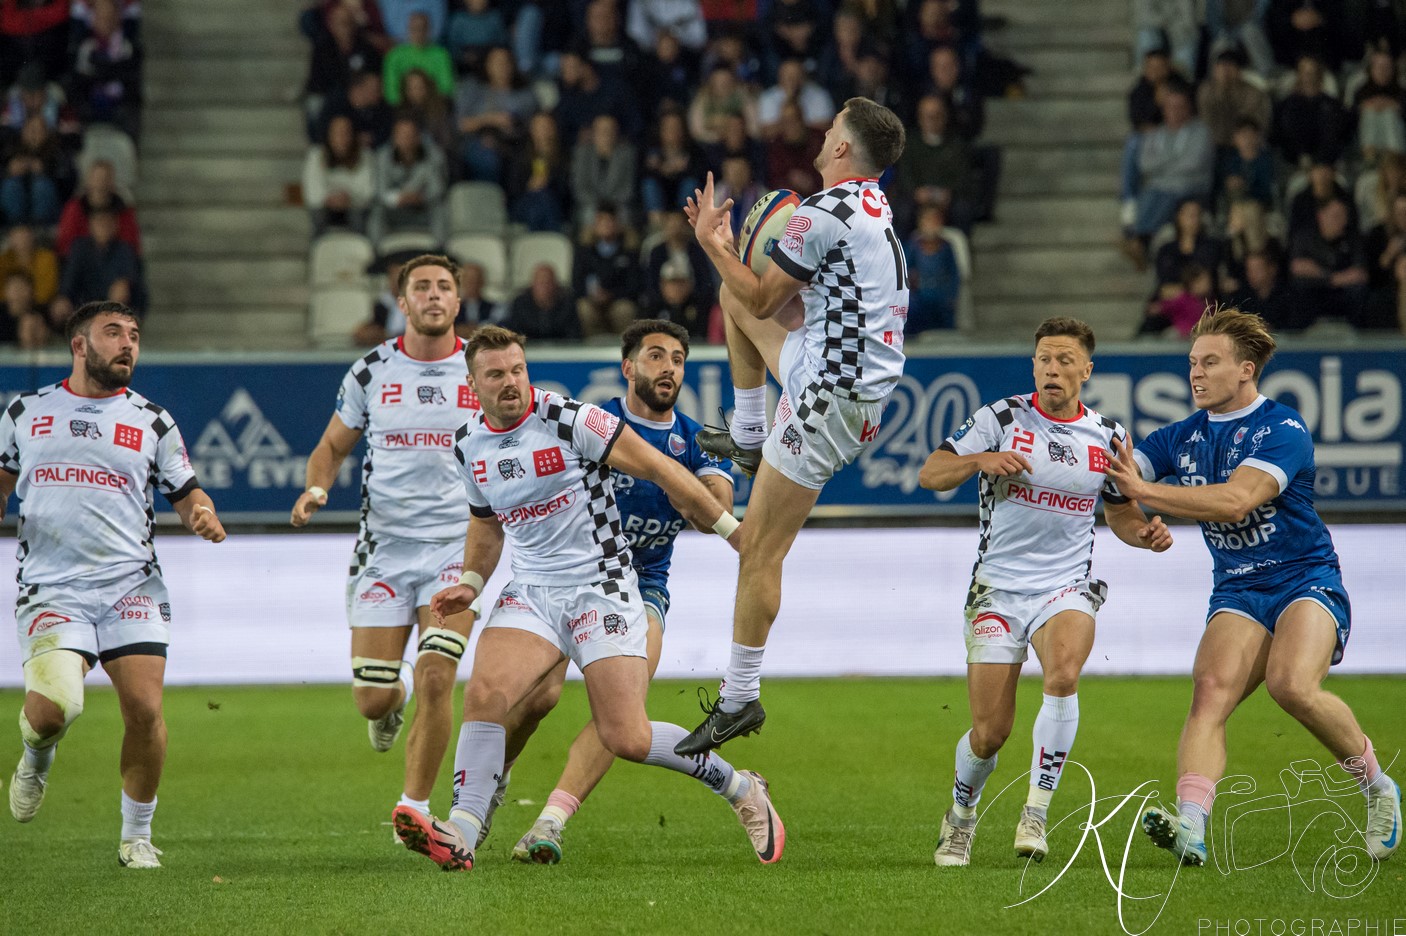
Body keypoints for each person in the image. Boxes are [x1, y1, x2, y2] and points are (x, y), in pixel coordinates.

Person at [390, 325, 784, 871]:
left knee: (626, 734)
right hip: (531, 589)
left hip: (602, 585)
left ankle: (738, 785)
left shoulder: (572, 418)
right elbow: (486, 525)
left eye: (518, 369)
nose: (511, 382)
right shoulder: (467, 443)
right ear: (472, 383)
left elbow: (662, 469)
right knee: (486, 693)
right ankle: (462, 827)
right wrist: (472, 583)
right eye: (496, 374)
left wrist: (734, 534)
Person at [1103, 307, 1402, 867]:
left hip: (1305, 578)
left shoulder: (1282, 427)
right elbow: (1116, 491)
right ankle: (1191, 828)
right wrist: (1139, 531)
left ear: (1245, 370)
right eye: (1192, 362)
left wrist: (1145, 490)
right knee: (1209, 693)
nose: (1196, 373)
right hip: (1238, 590)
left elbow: (1235, 499)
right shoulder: (1179, 436)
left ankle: (1378, 788)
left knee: (1291, 685)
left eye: (1210, 363)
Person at [677, 96, 908, 755]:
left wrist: (715, 244)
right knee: (732, 295)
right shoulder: (872, 207)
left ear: (843, 149)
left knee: (759, 547)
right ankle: (749, 435)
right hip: (833, 376)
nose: (823, 130)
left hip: (828, 399)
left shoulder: (823, 212)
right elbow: (760, 300)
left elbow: (761, 294)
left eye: (832, 126)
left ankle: (739, 698)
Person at [290, 255, 540, 840]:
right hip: (384, 550)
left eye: (444, 287)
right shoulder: (371, 371)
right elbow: (331, 446)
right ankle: (388, 703)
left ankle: (416, 808)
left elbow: (523, 439)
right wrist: (316, 487)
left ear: (458, 302)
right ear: (401, 303)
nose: (433, 296)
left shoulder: (482, 370)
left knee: (436, 675)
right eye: (421, 287)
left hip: (458, 547)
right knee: (374, 700)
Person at [918, 317, 1173, 866]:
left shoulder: (1108, 436)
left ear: (1087, 369)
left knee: (1063, 674)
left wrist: (1145, 533)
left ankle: (1036, 811)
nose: (1052, 370)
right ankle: (961, 817)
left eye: (1063, 360)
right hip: (998, 592)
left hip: (1065, 587)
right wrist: (978, 461)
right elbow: (931, 473)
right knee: (989, 735)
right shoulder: (1001, 418)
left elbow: (1122, 513)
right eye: (1043, 360)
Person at [0, 301, 226, 868]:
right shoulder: (24, 412)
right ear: (79, 345)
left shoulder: (153, 420)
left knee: (145, 711)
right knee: (55, 710)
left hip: (132, 586)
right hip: (53, 588)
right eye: (113, 333)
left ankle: (136, 837)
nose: (128, 344)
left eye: (134, 334)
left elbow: (188, 493)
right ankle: (35, 757)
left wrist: (202, 513)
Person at [509, 319, 735, 862]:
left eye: (678, 359)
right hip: (568, 576)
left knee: (623, 716)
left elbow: (715, 511)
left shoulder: (700, 440)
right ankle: (488, 789)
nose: (669, 368)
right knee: (532, 699)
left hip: (641, 589)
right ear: (627, 367)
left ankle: (550, 821)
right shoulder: (593, 422)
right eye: (656, 356)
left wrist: (692, 483)